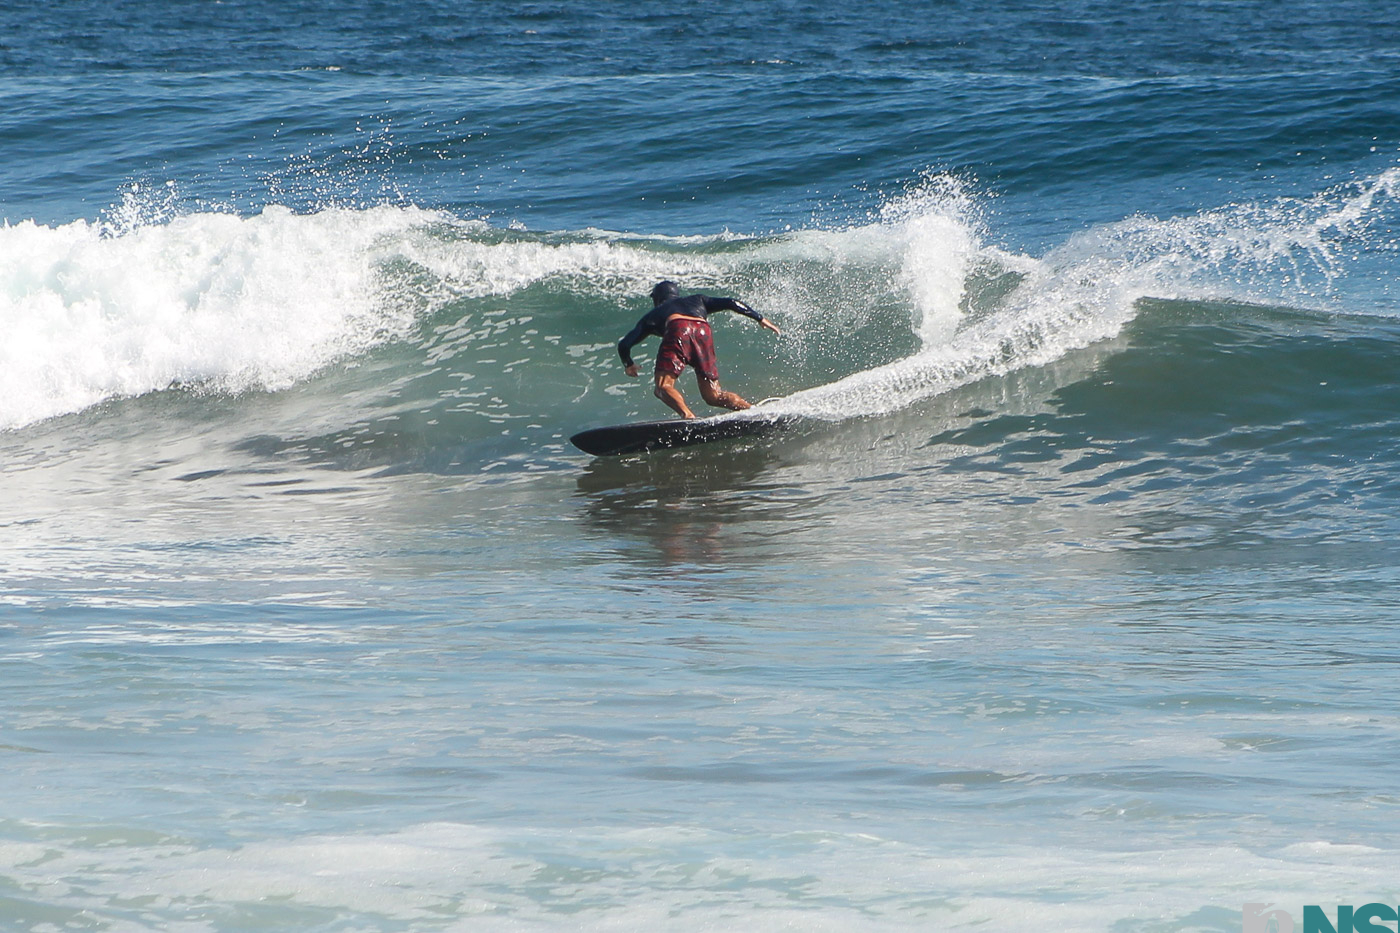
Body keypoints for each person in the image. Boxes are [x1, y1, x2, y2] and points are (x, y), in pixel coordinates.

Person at [617, 281, 781, 419]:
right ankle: (752, 411)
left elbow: (624, 344)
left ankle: (688, 416)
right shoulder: (698, 300)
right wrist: (759, 318)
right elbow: (731, 302)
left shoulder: (654, 314)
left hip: (678, 329)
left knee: (662, 387)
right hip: (703, 331)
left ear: (657, 298)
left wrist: (628, 364)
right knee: (713, 395)